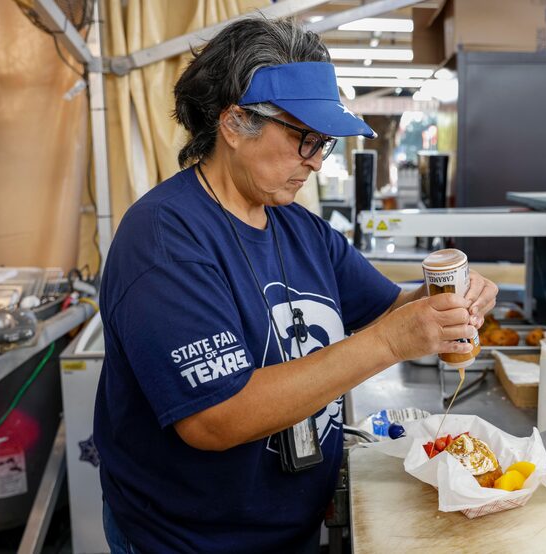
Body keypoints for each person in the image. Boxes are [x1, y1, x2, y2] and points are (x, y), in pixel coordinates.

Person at [94, 17, 497, 554]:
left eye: (324, 144)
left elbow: (384, 308)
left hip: (292, 529)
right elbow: (215, 418)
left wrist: (445, 296)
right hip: (189, 540)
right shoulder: (166, 239)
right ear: (235, 123)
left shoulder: (298, 227)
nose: (314, 162)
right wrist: (392, 342)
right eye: (303, 138)